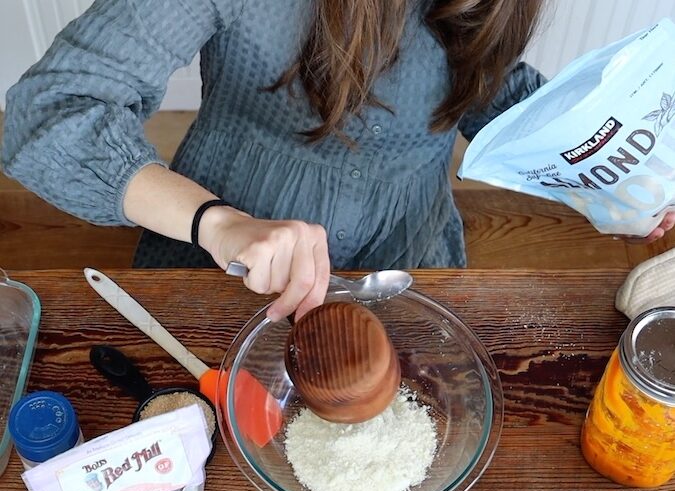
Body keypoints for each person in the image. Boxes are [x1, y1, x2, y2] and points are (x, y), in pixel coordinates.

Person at [2, 1, 672, 321]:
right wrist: (215, 222)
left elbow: (486, 88)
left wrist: (605, 168)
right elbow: (51, 111)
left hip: (408, 246)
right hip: (227, 249)